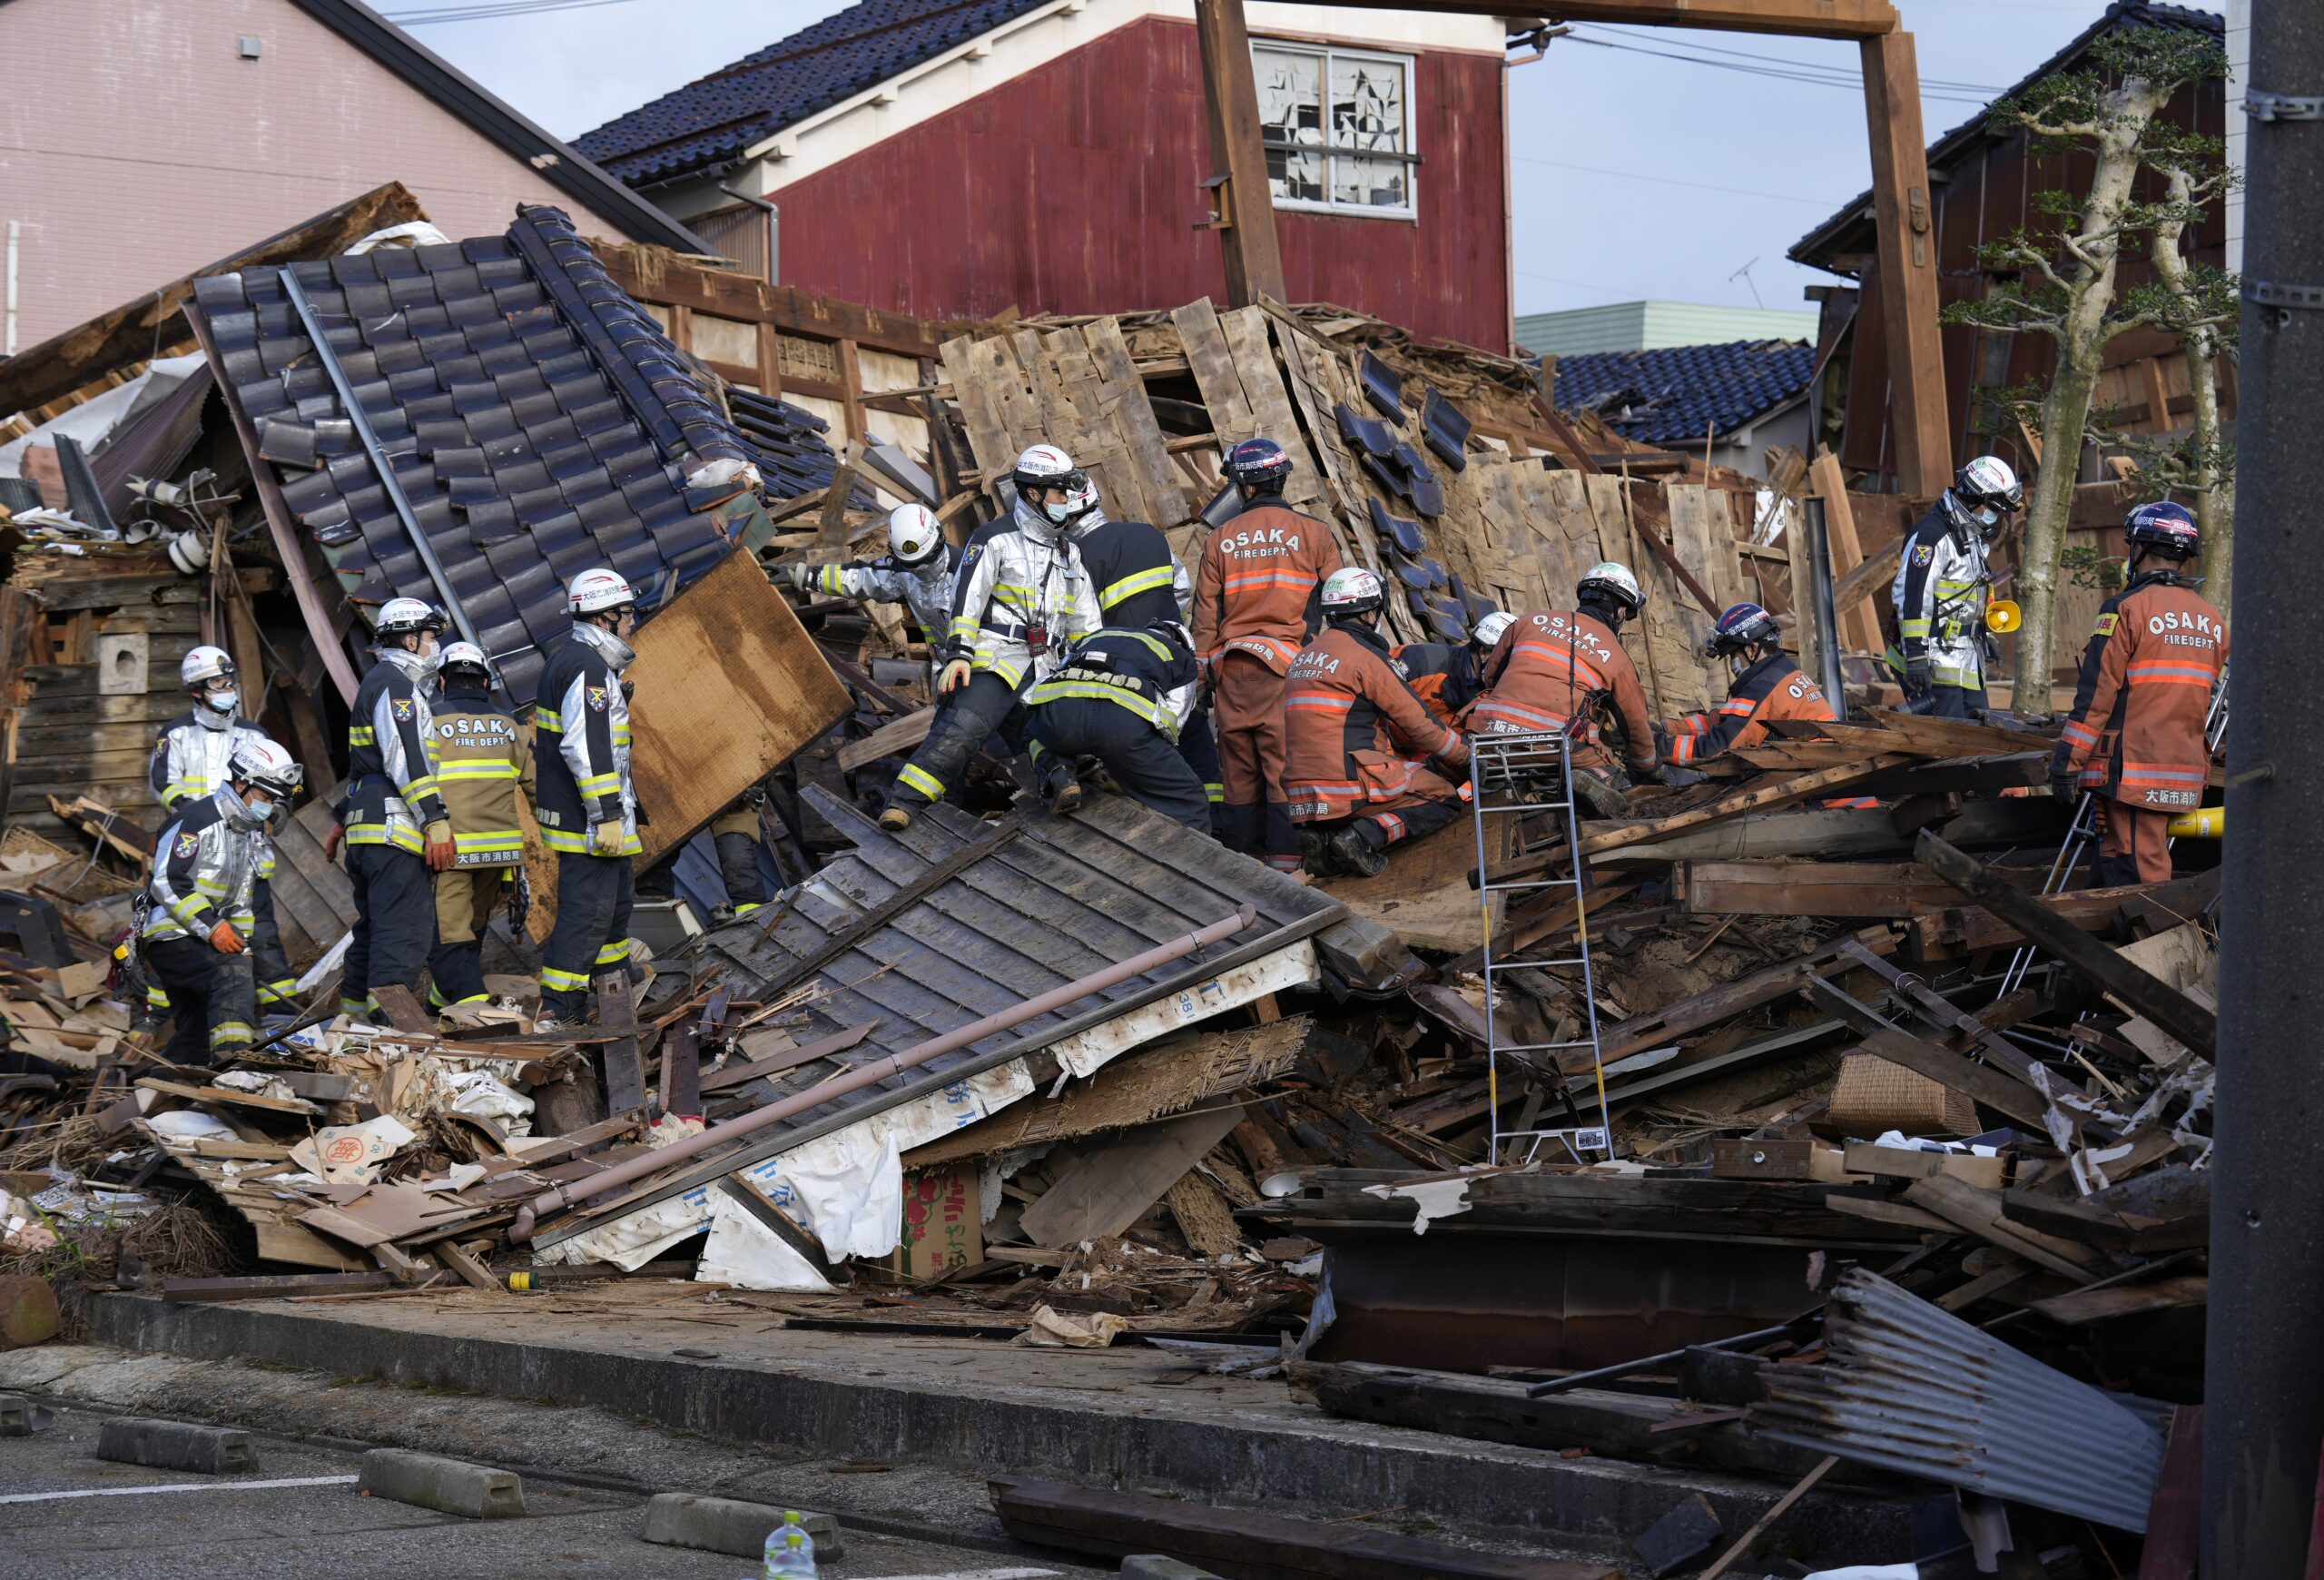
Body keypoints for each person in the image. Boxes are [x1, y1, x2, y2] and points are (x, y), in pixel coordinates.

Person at [881, 443, 1099, 832]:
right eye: (1060, 492)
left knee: (1047, 729)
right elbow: (969, 598)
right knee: (963, 728)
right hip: (998, 656)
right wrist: (960, 654)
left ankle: (1063, 784)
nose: (1067, 500)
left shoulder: (1069, 552)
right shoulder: (993, 538)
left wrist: (1092, 663)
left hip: (1049, 662)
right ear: (1033, 493)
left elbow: (1084, 619)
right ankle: (904, 803)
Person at [2051, 501, 2227, 885]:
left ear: (2141, 548)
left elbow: (2095, 697)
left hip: (2131, 773)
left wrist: (2067, 762)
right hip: (2184, 772)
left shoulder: (2125, 610)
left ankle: (2161, 946)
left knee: (2140, 883)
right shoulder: (2213, 621)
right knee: (2111, 876)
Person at [1191, 437, 1342, 874]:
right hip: (1288, 670)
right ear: (1280, 478)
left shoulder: (1220, 538)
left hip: (1233, 670)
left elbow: (1204, 616)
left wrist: (1203, 675)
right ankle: (1286, 864)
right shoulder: (1315, 533)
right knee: (1282, 767)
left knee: (1237, 769)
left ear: (1244, 486)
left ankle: (1242, 864)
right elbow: (1337, 603)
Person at [1285, 567, 1472, 877]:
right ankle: (1364, 837)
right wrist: (1466, 755)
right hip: (1350, 785)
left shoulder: (1302, 659)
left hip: (1301, 794)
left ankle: (1326, 840)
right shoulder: (1366, 657)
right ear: (1371, 612)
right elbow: (1420, 725)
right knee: (1444, 797)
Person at [148, 646, 297, 1014]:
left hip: (247, 852)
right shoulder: (176, 734)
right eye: (217, 682)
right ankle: (162, 1012)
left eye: (229, 681)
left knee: (260, 930)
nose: (227, 688)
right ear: (196, 690)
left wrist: (271, 814)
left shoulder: (254, 735)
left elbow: (279, 792)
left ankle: (277, 1010)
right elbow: (163, 784)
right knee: (176, 926)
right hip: (193, 847)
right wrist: (196, 819)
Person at [328, 598, 455, 1019]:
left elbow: (364, 765)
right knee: (402, 934)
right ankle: (389, 1031)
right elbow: (408, 761)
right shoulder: (397, 687)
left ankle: (351, 1024)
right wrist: (435, 822)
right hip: (393, 831)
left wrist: (339, 820)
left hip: (366, 829)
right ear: (409, 638)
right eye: (431, 637)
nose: (435, 646)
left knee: (371, 932)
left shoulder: (378, 681)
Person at [141, 737, 301, 1065]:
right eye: (265, 796)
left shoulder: (246, 833)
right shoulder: (196, 821)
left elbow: (240, 902)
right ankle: (234, 1066)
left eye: (274, 800)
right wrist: (215, 929)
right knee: (232, 973)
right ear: (241, 782)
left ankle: (165, 1090)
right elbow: (168, 881)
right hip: (171, 935)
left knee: (199, 1026)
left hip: (199, 938)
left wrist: (242, 943)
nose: (268, 806)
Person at [534, 568, 644, 1028]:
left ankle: (612, 979)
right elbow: (587, 746)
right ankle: (559, 1008)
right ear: (604, 619)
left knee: (614, 905)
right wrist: (608, 815)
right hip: (591, 819)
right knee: (588, 914)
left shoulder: (578, 661)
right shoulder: (587, 668)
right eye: (626, 613)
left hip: (592, 815)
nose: (632, 621)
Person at [1471, 563, 1663, 812]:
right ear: (1620, 611)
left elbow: (1491, 676)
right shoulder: (1617, 657)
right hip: (1555, 743)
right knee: (1608, 768)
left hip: (1491, 733)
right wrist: (1650, 767)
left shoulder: (1529, 620)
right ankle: (1591, 778)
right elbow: (1635, 727)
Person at [1075, 512, 1220, 821]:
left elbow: (1084, 625)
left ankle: (1175, 825)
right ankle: (1218, 821)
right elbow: (1181, 588)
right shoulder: (1148, 533)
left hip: (1127, 669)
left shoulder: (1077, 553)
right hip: (1174, 653)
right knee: (1194, 733)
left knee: (1153, 744)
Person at [424, 642, 533, 1010]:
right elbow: (536, 785)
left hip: (450, 849)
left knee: (450, 932)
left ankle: (475, 1008)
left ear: (442, 681)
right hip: (500, 850)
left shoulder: (429, 721)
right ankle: (440, 1001)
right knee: (475, 923)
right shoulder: (512, 724)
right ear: (486, 682)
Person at [1025, 618, 1210, 832]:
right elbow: (1172, 723)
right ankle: (1194, 861)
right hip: (1123, 727)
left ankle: (1061, 770)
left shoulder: (1099, 635)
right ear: (1180, 644)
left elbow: (1051, 681)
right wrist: (1132, 769)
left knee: (1032, 731)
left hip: (1062, 717)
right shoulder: (1180, 657)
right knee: (1190, 798)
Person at [1891, 455, 2022, 719]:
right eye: (1992, 507)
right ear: (1973, 498)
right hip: (1935, 665)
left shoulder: (1968, 535)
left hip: (1968, 664)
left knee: (1979, 739)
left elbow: (1967, 597)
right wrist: (1916, 656)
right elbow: (1912, 597)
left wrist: (1987, 635)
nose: (1994, 516)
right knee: (1946, 750)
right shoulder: (1932, 536)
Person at [783, 503, 955, 655]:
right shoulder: (903, 574)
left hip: (975, 667)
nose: (918, 569)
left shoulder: (969, 575)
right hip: (945, 664)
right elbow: (858, 579)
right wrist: (802, 576)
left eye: (922, 562)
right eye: (913, 564)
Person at [1397, 609, 1513, 729]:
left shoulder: (1484, 697)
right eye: (1505, 662)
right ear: (1483, 653)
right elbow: (1380, 704)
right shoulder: (1421, 659)